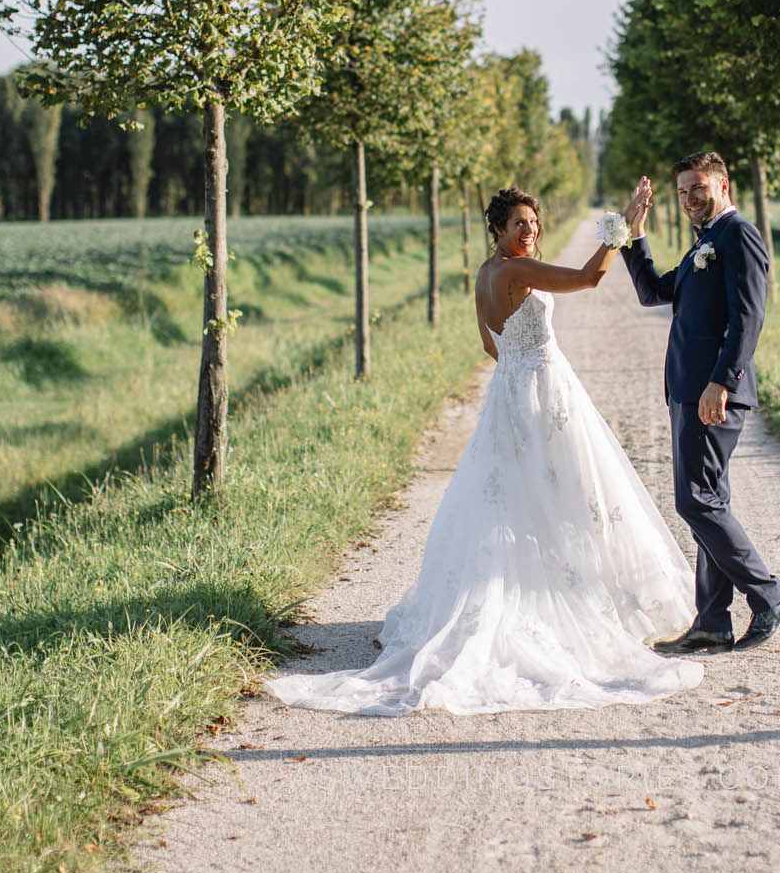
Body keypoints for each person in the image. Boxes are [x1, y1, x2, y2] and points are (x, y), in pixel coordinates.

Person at [266, 186, 704, 714]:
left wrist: (519, 364)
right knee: (561, 491)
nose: (530, 231)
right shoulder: (517, 272)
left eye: (534, 221)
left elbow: (488, 343)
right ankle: (564, 605)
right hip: (544, 394)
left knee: (524, 497)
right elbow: (589, 277)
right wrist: (624, 229)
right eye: (518, 223)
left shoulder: (486, 272)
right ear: (496, 229)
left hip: (513, 393)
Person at [621, 152, 780, 655]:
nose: (690, 198)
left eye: (698, 187)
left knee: (693, 500)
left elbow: (748, 318)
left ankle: (769, 595)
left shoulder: (738, 235)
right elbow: (654, 292)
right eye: (682, 191)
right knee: (708, 502)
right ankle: (713, 620)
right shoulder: (707, 242)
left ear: (723, 185)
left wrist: (722, 381)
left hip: (713, 394)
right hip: (688, 391)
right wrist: (634, 233)